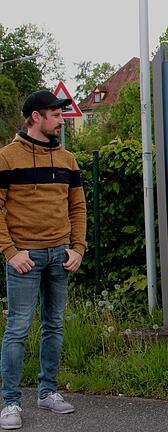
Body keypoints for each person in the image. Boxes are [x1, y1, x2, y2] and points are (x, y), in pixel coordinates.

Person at [0, 90, 87, 430]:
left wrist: (77, 247)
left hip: (59, 254)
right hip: (24, 256)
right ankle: (9, 402)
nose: (61, 118)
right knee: (18, 329)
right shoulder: (7, 157)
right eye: (54, 113)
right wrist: (10, 251)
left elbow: (77, 207)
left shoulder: (67, 159)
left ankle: (47, 392)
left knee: (54, 324)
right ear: (35, 117)